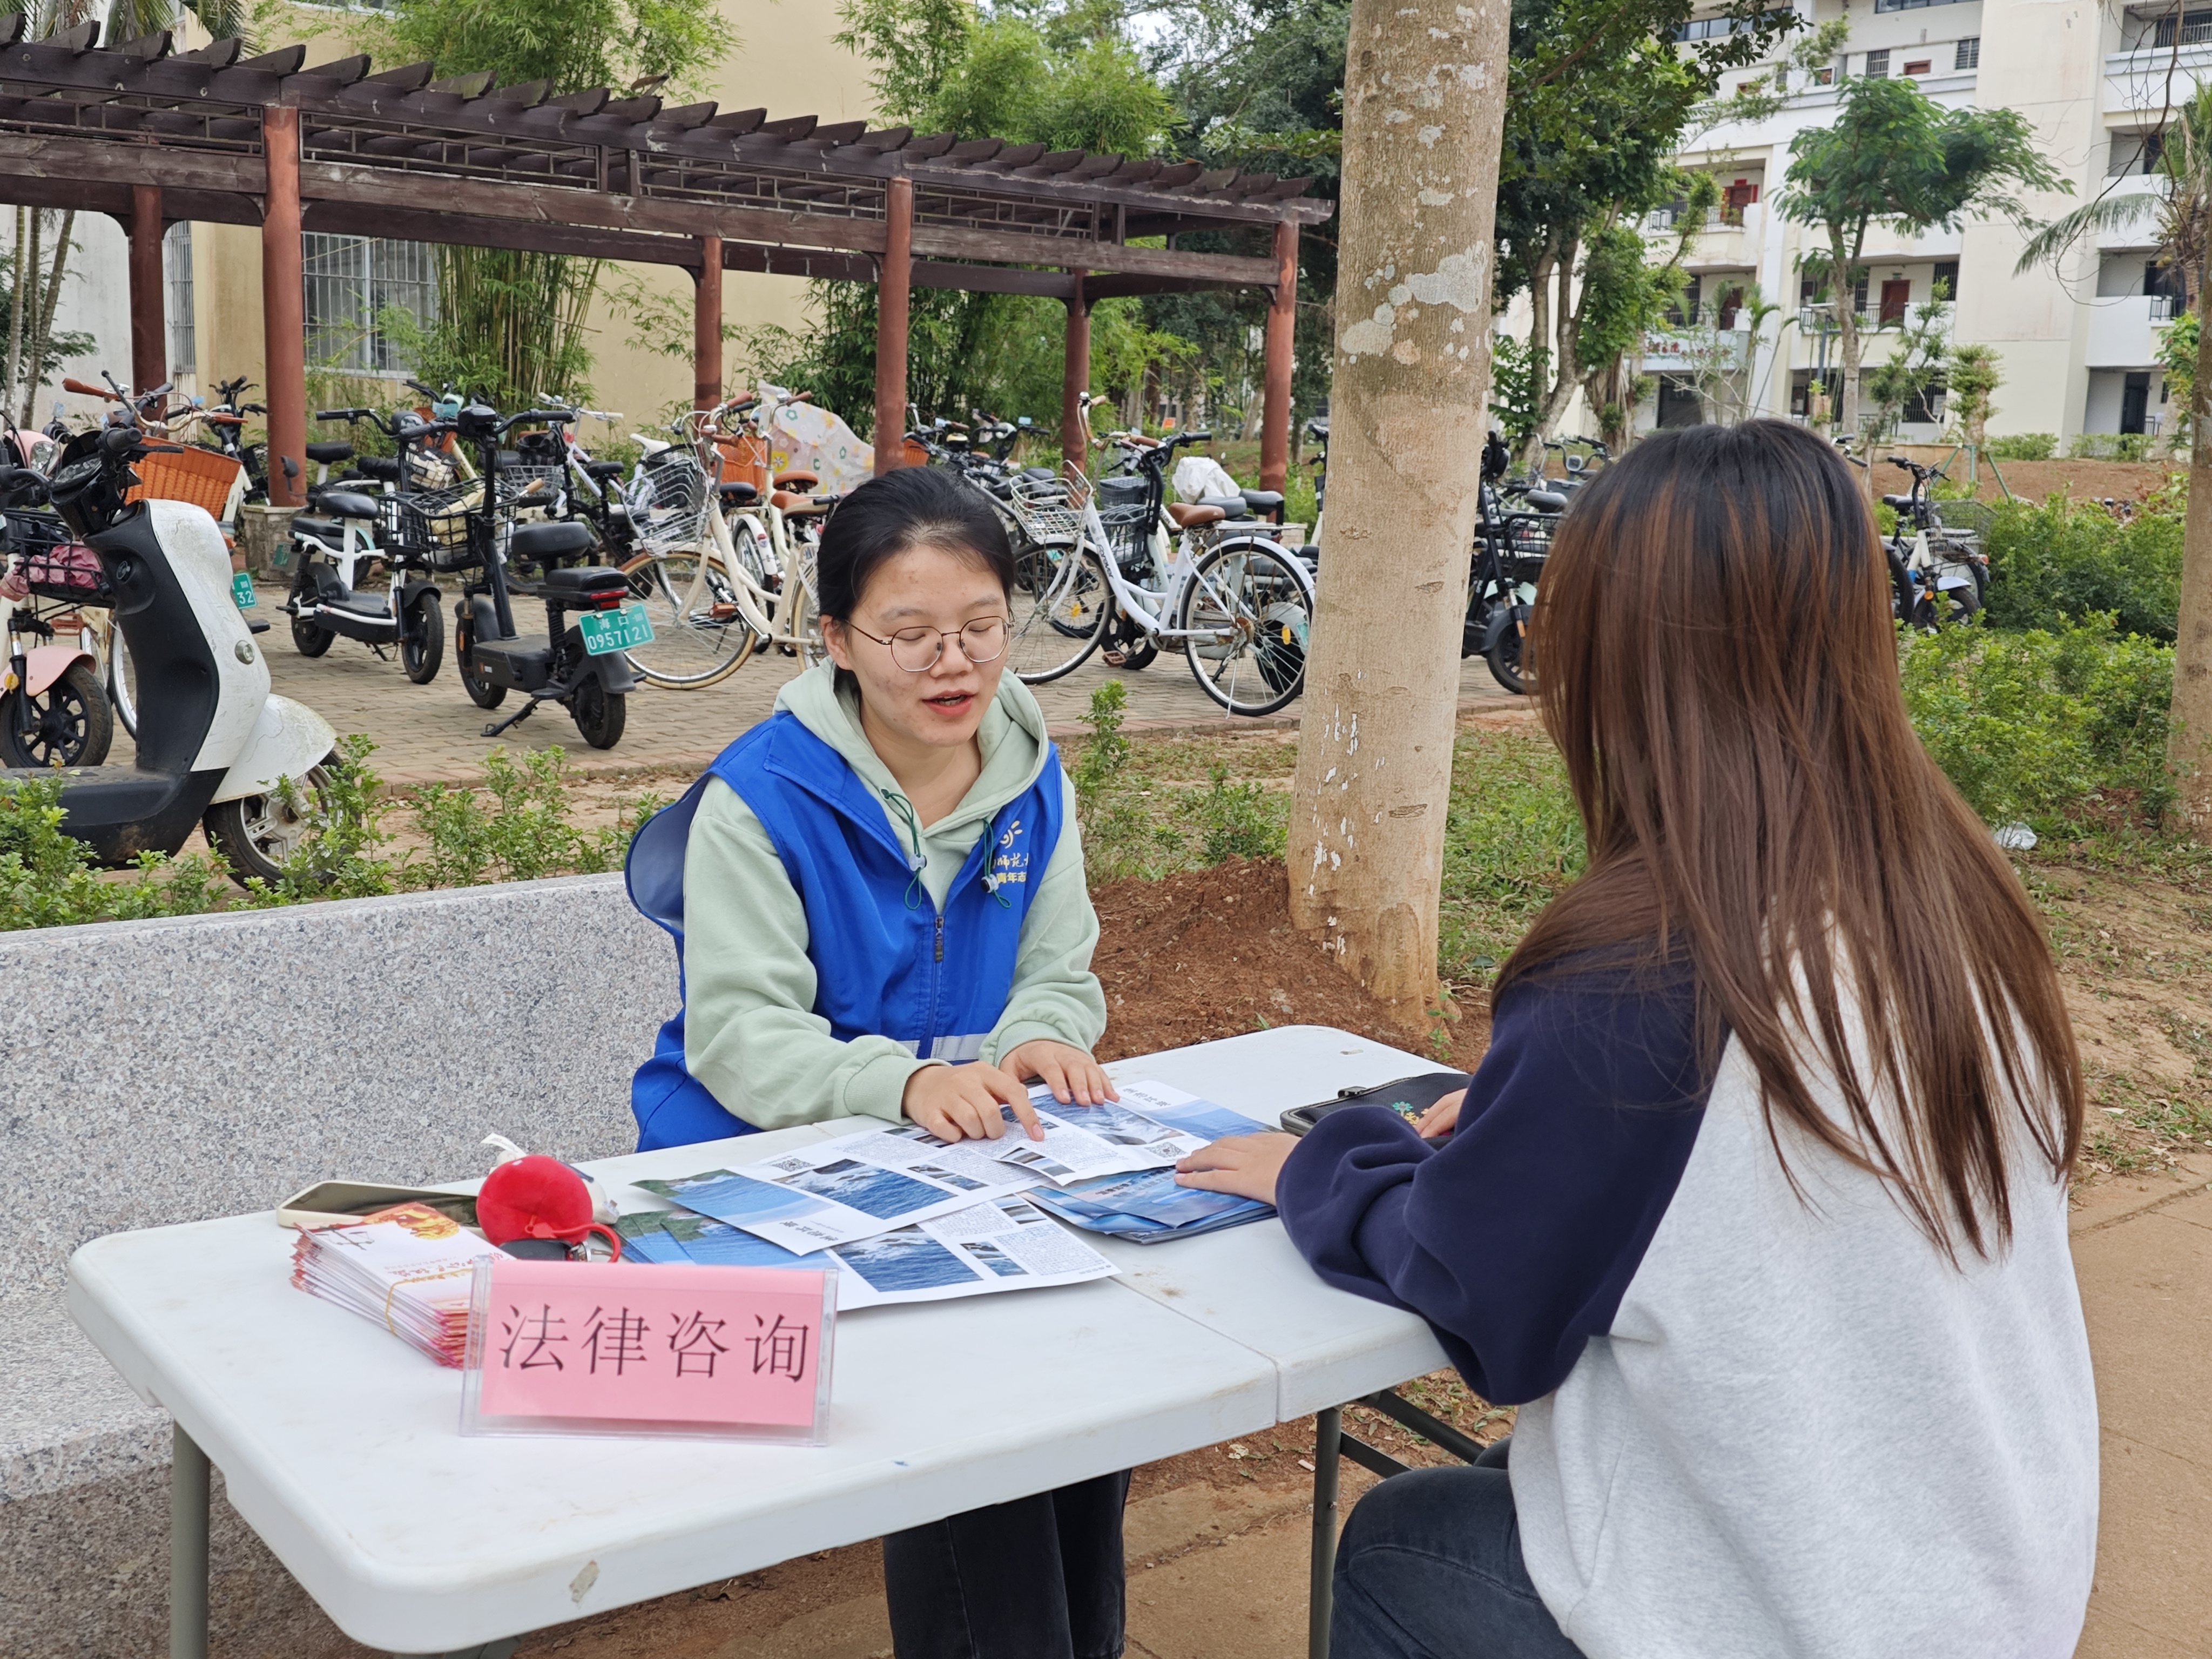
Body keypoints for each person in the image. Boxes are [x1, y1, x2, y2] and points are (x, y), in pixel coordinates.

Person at [1176, 420, 2097, 1659]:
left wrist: (1323, 1166)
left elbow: (1487, 1305)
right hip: (1986, 1585)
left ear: (1614, 659)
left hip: (1800, 1617)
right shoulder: (1948, 903)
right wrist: (1521, 1125)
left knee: (1403, 1540)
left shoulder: (1648, 967)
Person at [625, 464, 1128, 1659]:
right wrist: (898, 1083)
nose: (950, 664)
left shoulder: (1031, 775)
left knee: (1093, 1395)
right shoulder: (763, 795)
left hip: (965, 1162)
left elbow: (1057, 962)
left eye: (978, 629)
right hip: (763, 1164)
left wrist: (1044, 1035)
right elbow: (741, 1035)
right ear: (837, 639)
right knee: (978, 1415)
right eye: (908, 635)